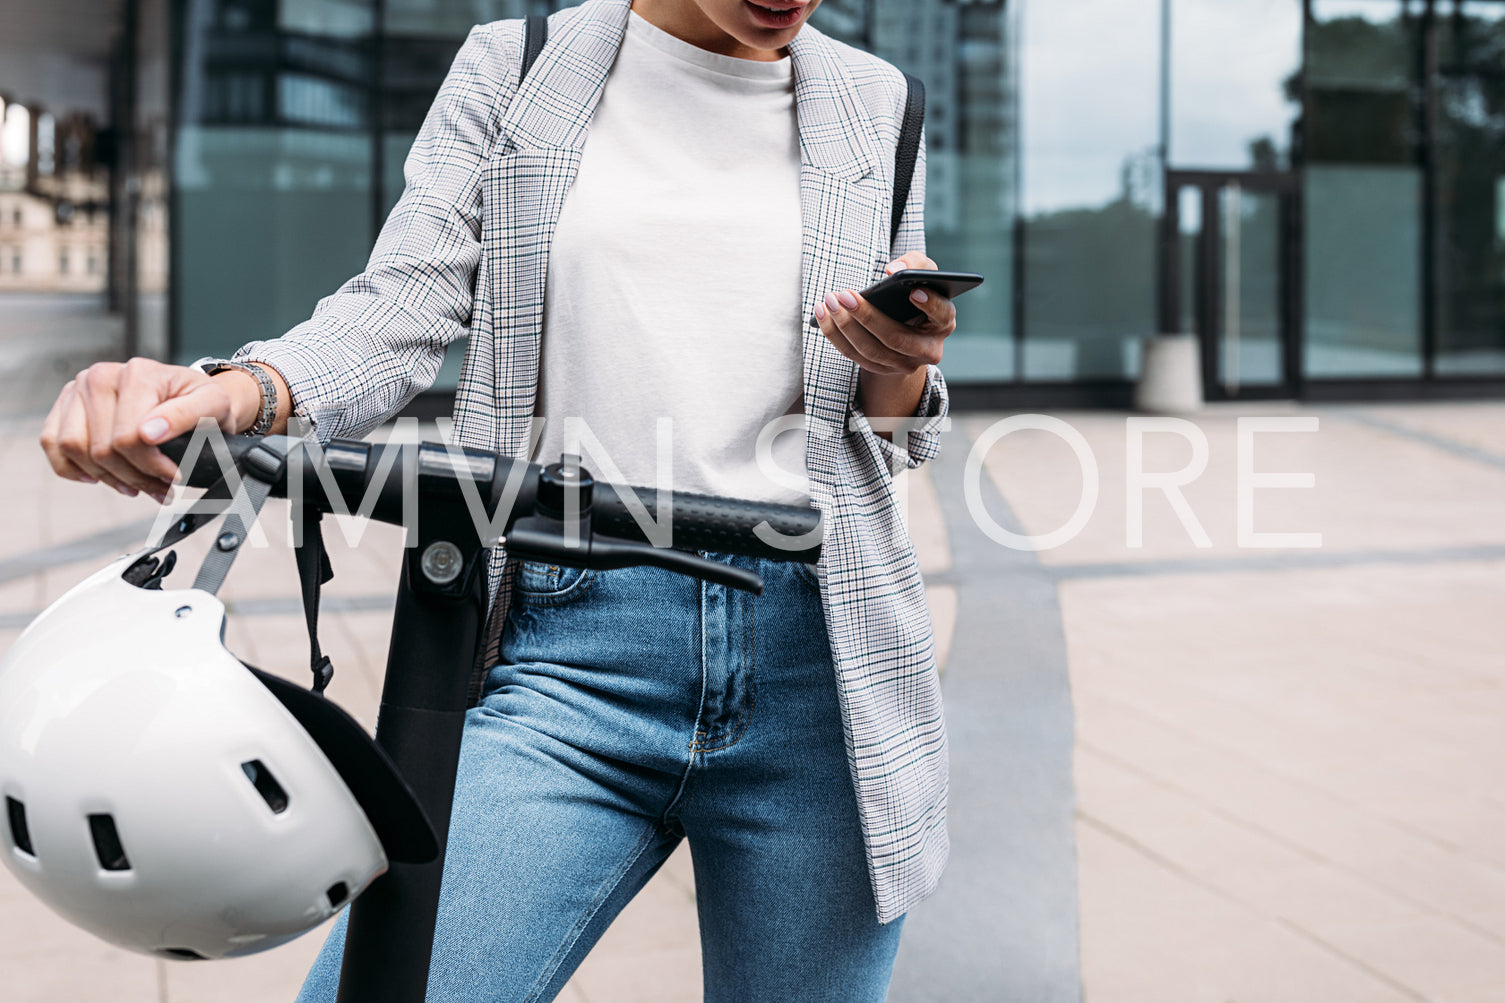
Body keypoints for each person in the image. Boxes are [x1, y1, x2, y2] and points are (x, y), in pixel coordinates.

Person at [38, 0, 957, 999]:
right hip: (574, 655)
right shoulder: (517, 67)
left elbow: (895, 430)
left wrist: (899, 365)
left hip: (818, 670)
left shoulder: (878, 101)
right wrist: (231, 391)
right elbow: (396, 311)